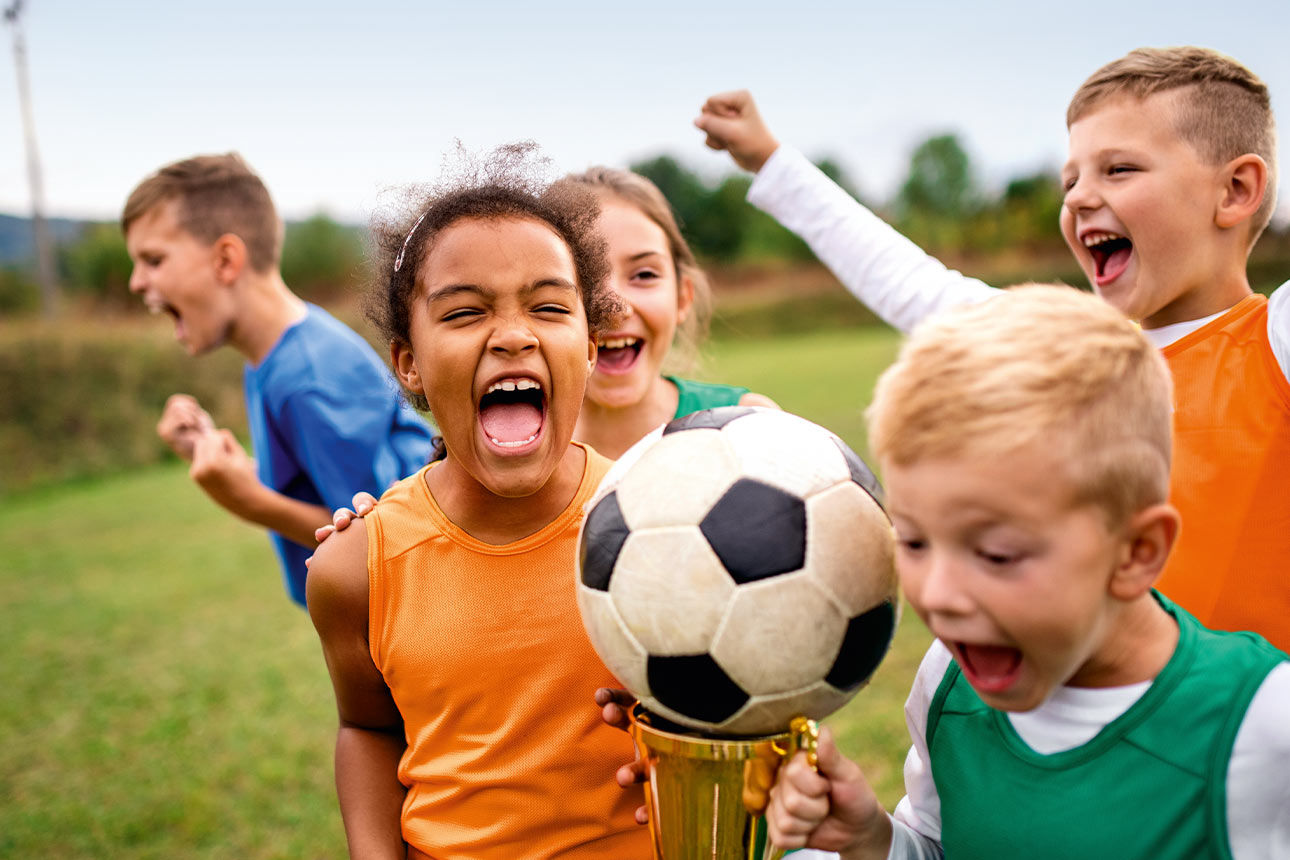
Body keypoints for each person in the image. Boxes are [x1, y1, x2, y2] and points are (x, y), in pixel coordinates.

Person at [695, 46, 1290, 652]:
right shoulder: (1067, 352)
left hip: (1242, 735)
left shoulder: (1273, 344)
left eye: (1119, 170)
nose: (1080, 196)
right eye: (1071, 179)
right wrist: (772, 161)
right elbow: (910, 282)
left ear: (1236, 190)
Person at [764, 284, 1289, 859]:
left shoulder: (1261, 726)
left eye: (996, 555)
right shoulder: (948, 682)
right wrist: (874, 840)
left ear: (1136, 551)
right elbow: (943, 847)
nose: (938, 597)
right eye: (913, 541)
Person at [305, 149, 651, 859]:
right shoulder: (355, 567)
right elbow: (367, 729)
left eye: (549, 307)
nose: (515, 334)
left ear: (589, 344)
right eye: (464, 313)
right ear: (409, 363)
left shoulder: (657, 522)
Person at [122, 154, 435, 608]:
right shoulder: (274, 358)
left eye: (153, 259)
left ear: (226, 260)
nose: (136, 282)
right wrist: (223, 460)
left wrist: (250, 501)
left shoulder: (309, 376)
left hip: (410, 616)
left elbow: (380, 532)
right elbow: (320, 483)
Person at [565, 167, 776, 458]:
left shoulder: (750, 426)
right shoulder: (501, 447)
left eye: (644, 274)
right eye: (583, 277)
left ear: (682, 298)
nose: (616, 310)